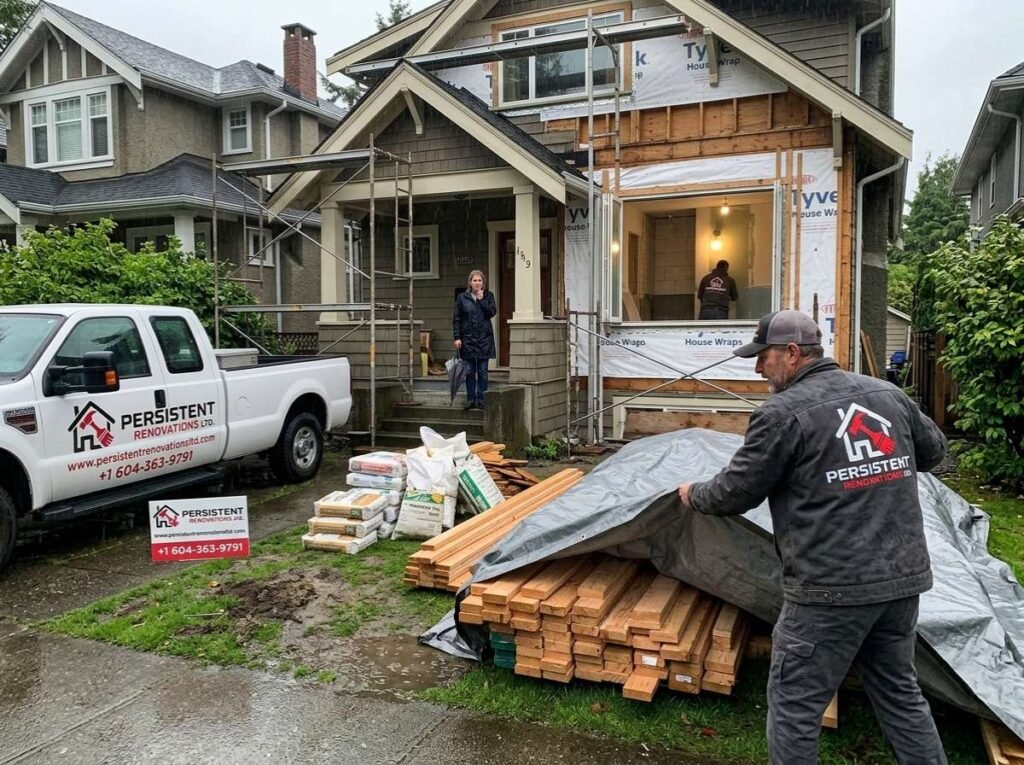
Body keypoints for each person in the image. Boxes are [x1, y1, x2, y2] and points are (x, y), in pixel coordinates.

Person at [677, 310, 948, 765]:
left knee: (795, 707)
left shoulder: (781, 414)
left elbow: (735, 492)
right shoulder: (886, 395)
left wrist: (693, 494)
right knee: (900, 696)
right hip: (900, 581)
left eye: (763, 357)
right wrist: (872, 468)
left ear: (792, 353)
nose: (757, 368)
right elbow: (934, 451)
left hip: (829, 590)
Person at [452, 270, 496, 411]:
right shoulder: (462, 298)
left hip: (484, 340)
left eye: (480, 280)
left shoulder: (489, 296)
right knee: (470, 372)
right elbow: (457, 319)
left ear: (483, 282)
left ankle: (482, 400)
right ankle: (471, 399)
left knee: (483, 371)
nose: (477, 283)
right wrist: (457, 337)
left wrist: (481, 299)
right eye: (474, 280)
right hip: (468, 340)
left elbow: (491, 313)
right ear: (470, 282)